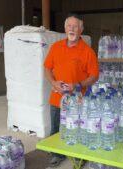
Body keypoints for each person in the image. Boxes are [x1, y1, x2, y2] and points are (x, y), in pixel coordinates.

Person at [44, 14, 99, 166]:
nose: (72, 29)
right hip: (57, 97)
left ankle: (78, 155)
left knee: (78, 128)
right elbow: (47, 68)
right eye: (69, 26)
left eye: (75, 26)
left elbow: (94, 76)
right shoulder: (56, 47)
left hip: (78, 100)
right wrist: (54, 82)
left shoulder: (88, 52)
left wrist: (78, 84)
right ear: (65, 28)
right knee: (56, 128)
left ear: (81, 30)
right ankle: (57, 154)